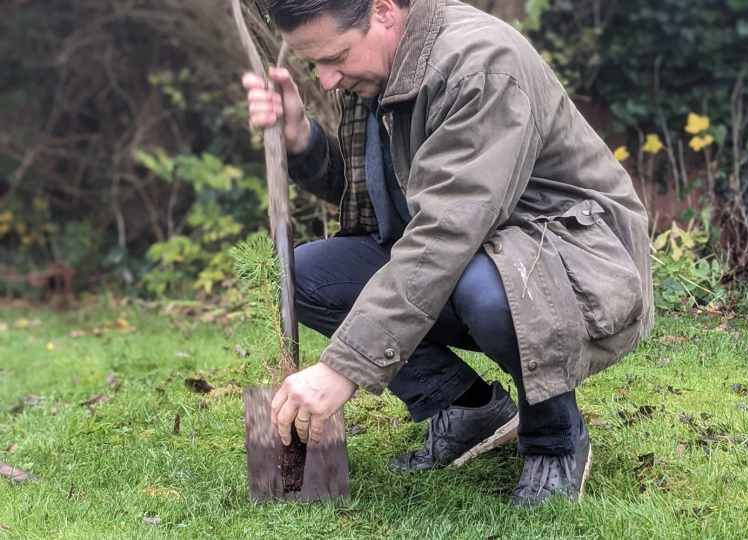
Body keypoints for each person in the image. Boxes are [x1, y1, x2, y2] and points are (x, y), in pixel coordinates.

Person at [243, 0, 653, 508]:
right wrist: (301, 138)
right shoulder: (375, 70)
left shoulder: (480, 65)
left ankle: (554, 436)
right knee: (306, 275)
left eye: (336, 57)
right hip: (472, 251)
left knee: (487, 289)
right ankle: (468, 408)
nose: (327, 80)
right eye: (315, 65)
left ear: (383, 10)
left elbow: (445, 231)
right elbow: (376, 194)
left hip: (575, 259)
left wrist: (342, 368)